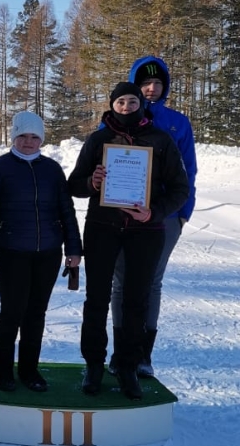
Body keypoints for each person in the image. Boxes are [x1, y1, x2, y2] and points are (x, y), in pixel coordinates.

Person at [68, 82, 189, 400]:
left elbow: (181, 189)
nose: (126, 107)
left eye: (132, 101)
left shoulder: (160, 140)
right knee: (97, 299)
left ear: (141, 104)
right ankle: (94, 365)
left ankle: (128, 366)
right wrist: (92, 183)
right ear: (112, 105)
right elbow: (74, 184)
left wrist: (154, 212)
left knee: (136, 300)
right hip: (102, 228)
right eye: (120, 101)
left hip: (145, 232)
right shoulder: (98, 140)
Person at [0, 111, 83, 392]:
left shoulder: (52, 169)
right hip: (11, 252)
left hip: (48, 252)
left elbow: (67, 211)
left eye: (35, 136)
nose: (28, 141)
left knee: (36, 313)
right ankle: (2, 371)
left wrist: (74, 248)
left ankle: (29, 370)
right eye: (23, 135)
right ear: (14, 136)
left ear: (41, 140)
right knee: (12, 311)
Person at [108, 56, 198, 378]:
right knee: (121, 282)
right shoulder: (115, 120)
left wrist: (183, 213)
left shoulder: (177, 123)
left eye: (158, 83)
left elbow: (189, 170)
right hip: (123, 212)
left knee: (151, 282)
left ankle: (143, 354)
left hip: (165, 215)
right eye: (145, 82)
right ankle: (121, 353)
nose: (151, 88)